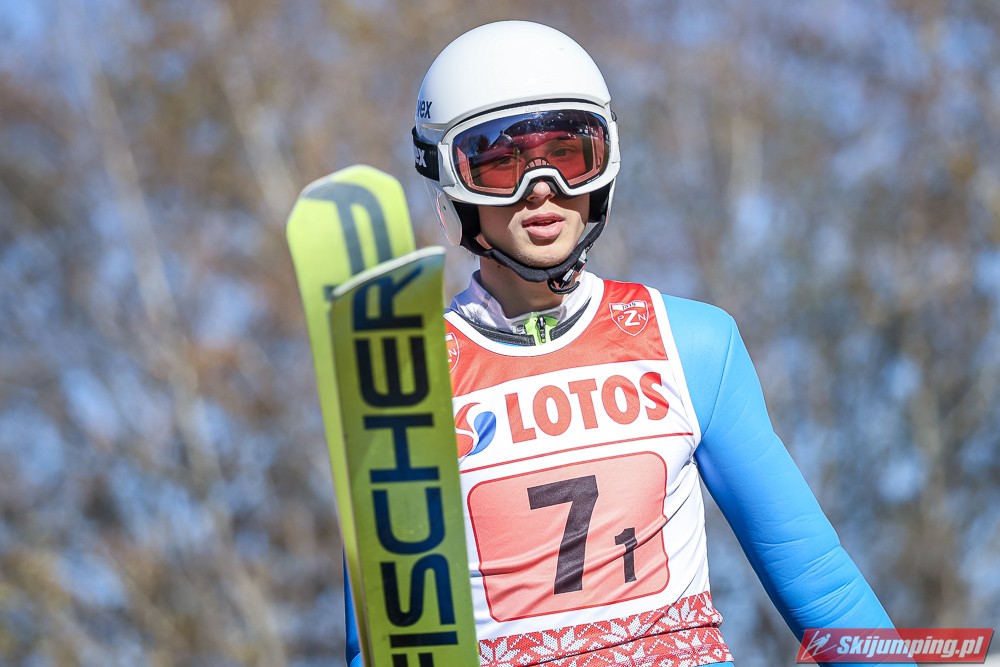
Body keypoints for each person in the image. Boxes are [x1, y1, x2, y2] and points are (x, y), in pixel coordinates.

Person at [347, 20, 900, 667]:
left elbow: (820, 584)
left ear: (604, 163)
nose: (541, 187)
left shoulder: (691, 344)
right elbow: (377, 643)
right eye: (500, 162)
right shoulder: (406, 381)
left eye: (568, 153)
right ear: (449, 182)